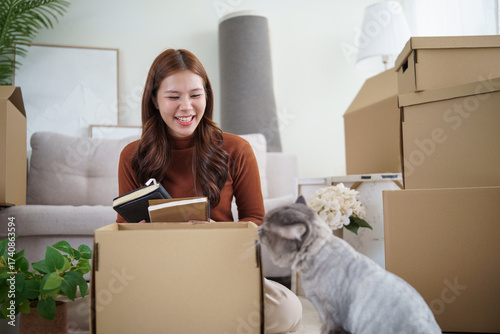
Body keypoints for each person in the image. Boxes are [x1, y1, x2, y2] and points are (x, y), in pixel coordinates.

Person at [116, 48, 302, 333]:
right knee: (91, 310)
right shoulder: (132, 155)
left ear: (207, 96)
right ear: (154, 100)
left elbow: (256, 220)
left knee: (287, 309)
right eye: (173, 97)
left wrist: (219, 232)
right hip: (158, 271)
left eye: (195, 95)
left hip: (222, 267)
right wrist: (138, 234)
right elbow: (121, 230)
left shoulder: (236, 149)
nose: (186, 107)